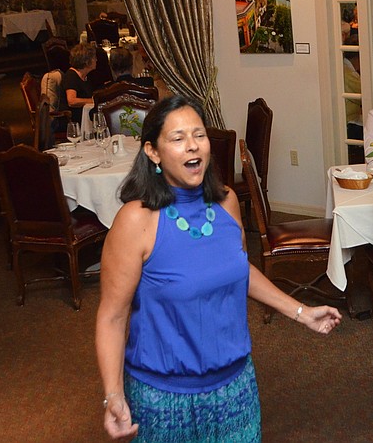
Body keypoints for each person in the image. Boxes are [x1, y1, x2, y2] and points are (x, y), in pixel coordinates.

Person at [96, 96, 342, 441]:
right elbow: (112, 317)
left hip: (235, 387)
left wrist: (301, 312)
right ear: (153, 152)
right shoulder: (136, 220)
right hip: (163, 398)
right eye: (178, 138)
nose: (193, 145)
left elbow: (238, 269)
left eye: (199, 135)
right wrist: (113, 394)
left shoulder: (226, 202)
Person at [63, 42, 97, 123]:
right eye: (94, 58)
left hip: (85, 115)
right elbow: (71, 101)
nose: (96, 60)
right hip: (76, 120)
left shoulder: (86, 76)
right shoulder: (71, 76)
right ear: (87, 61)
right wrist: (93, 101)